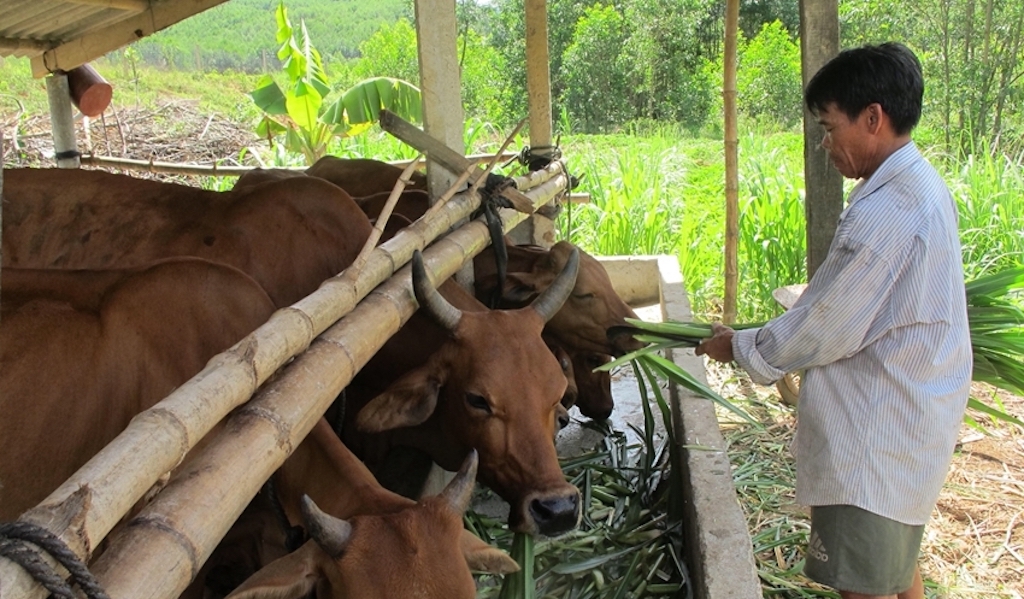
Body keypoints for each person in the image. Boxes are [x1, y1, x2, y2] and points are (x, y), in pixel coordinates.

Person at [696, 42, 971, 599]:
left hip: (875, 434)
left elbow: (825, 325)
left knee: (862, 584)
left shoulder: (885, 212)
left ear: (873, 118)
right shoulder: (918, 184)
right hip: (910, 417)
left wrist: (743, 347)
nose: (824, 143)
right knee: (894, 566)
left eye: (829, 126)